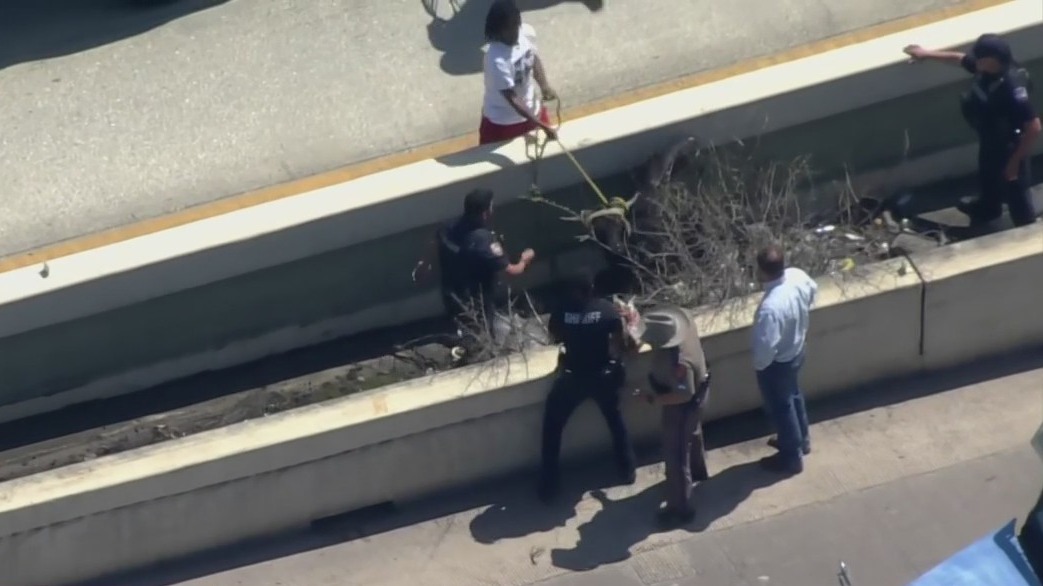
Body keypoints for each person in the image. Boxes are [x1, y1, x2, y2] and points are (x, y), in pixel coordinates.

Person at [904, 34, 1041, 227]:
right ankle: (987, 209)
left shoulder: (1011, 88)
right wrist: (926, 54)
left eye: (981, 58)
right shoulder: (984, 68)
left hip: (1010, 147)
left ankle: (1026, 230)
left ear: (993, 60)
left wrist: (1014, 162)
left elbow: (1034, 127)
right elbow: (959, 59)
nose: (976, 61)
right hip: (990, 138)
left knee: (1015, 188)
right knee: (987, 175)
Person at [539, 269, 637, 503]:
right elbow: (623, 342)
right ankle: (627, 469)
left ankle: (549, 484)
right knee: (615, 421)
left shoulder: (561, 312)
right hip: (603, 376)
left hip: (573, 378)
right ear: (591, 289)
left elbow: (554, 336)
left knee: (552, 427)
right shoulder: (607, 311)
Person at [414, 189, 535, 348]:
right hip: (476, 299)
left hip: (451, 294)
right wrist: (525, 260)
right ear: (486, 212)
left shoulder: (447, 227)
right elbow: (511, 271)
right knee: (482, 334)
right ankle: (482, 354)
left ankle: (466, 347)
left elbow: (432, 246)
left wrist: (423, 268)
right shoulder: (483, 240)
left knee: (463, 328)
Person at [635, 305, 712, 528]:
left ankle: (681, 507)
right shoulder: (685, 319)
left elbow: (683, 394)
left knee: (676, 455)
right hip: (702, 389)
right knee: (693, 434)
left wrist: (651, 400)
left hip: (684, 405)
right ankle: (698, 472)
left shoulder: (679, 363)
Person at [751, 244, 817, 475]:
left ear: (761, 271)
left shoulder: (771, 308)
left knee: (782, 407)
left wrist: (761, 367)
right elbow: (813, 292)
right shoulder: (797, 276)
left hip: (778, 363)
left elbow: (764, 349)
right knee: (794, 395)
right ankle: (802, 441)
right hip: (798, 349)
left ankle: (791, 457)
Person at [480, 0, 558, 145]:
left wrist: (544, 86)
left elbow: (533, 58)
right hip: (503, 123)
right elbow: (513, 99)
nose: (514, 31)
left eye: (516, 25)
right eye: (508, 28)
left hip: (534, 111)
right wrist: (541, 124)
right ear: (498, 29)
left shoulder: (525, 33)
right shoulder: (496, 60)